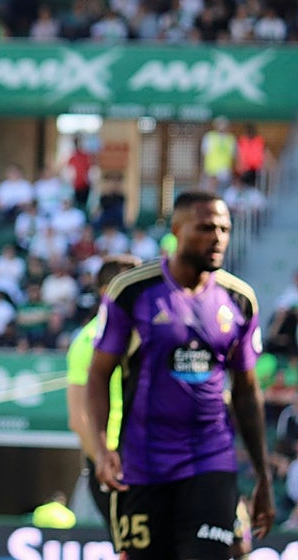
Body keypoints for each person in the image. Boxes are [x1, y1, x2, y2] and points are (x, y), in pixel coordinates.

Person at [87, 191, 274, 559]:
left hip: (210, 460)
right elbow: (98, 375)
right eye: (206, 228)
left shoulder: (239, 299)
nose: (217, 238)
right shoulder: (133, 291)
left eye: (224, 229)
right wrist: (101, 448)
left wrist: (262, 475)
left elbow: (247, 392)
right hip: (142, 463)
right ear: (177, 230)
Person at [66, 253, 142, 531]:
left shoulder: (149, 333)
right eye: (131, 283)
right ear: (106, 291)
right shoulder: (89, 340)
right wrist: (105, 459)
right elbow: (78, 418)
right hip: (115, 457)